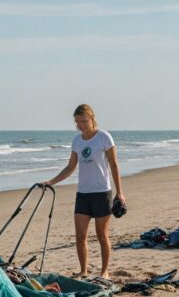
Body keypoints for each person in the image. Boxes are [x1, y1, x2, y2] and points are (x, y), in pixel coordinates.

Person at [42, 104, 125, 280]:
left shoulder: (104, 137)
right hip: (83, 194)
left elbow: (114, 165)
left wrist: (120, 192)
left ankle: (104, 272)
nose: (81, 125)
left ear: (92, 119)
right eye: (77, 122)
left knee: (102, 235)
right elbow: (70, 167)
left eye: (84, 121)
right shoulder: (77, 141)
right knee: (80, 236)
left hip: (102, 192)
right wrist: (51, 182)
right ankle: (84, 270)